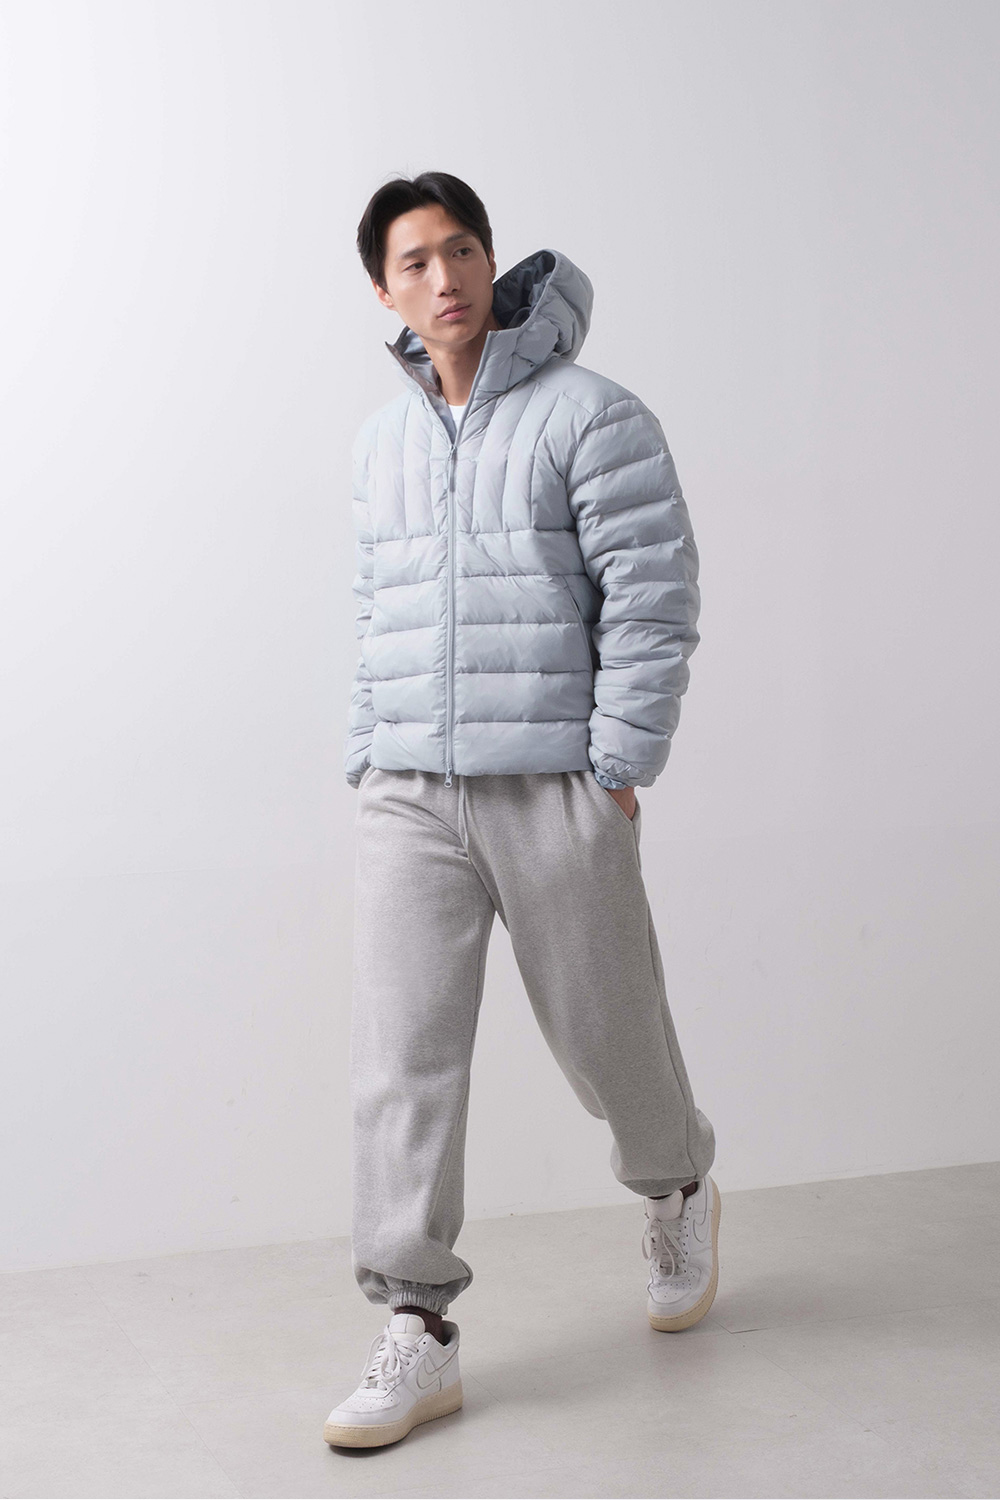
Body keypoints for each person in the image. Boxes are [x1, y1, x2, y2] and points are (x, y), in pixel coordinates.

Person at [323, 172, 719, 1451]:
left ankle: (676, 1185)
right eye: (415, 261)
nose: (444, 278)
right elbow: (378, 611)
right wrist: (368, 750)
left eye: (462, 250)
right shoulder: (379, 446)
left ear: (492, 263)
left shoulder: (592, 415)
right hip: (410, 795)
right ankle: (416, 1325)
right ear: (382, 289)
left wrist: (617, 764)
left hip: (553, 783)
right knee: (402, 1060)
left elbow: (652, 593)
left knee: (608, 1037)